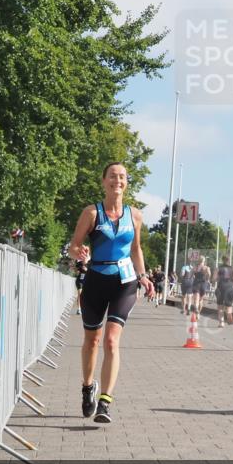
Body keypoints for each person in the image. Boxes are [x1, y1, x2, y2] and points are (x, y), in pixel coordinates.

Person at [67, 163, 154, 424]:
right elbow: (74, 246)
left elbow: (136, 249)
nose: (118, 180)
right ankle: (87, 387)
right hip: (96, 279)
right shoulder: (92, 213)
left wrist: (143, 275)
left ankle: (105, 402)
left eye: (122, 177)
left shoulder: (134, 215)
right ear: (104, 181)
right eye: (113, 176)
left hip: (125, 282)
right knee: (92, 340)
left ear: (127, 183)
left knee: (112, 341)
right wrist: (78, 253)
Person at [215, 254, 233, 327]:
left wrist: (218, 278)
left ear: (222, 260)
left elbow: (214, 278)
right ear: (229, 260)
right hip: (229, 288)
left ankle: (221, 323)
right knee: (229, 306)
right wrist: (232, 280)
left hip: (221, 288)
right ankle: (229, 314)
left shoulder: (218, 268)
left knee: (220, 306)